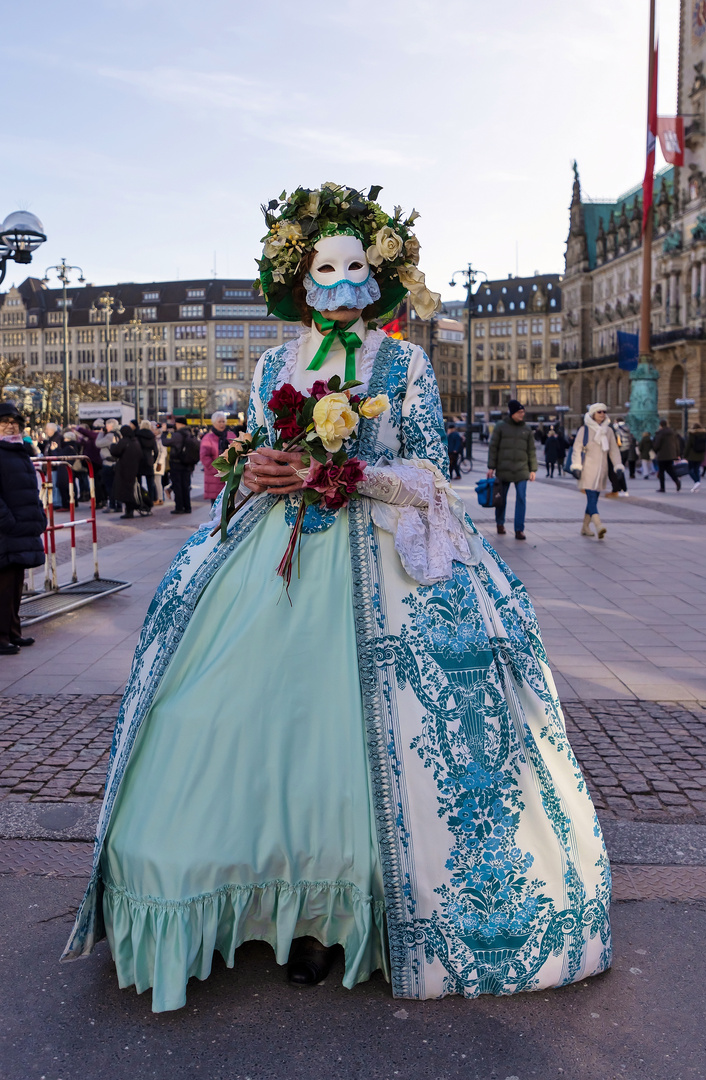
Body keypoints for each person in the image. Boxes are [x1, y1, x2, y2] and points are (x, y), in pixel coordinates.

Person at [64, 182, 610, 1012]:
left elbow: (431, 475)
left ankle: (336, 915)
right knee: (223, 714)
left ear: (379, 276)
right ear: (300, 277)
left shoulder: (408, 363)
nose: (342, 282)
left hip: (381, 564)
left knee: (350, 735)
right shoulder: (272, 364)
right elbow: (250, 455)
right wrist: (252, 470)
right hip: (272, 562)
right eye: (326, 266)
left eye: (358, 266)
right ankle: (240, 892)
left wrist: (347, 474)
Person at [0, 402, 45, 655]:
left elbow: (31, 488)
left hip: (22, 527)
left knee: (16, 586)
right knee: (3, 587)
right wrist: (8, 522)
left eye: (14, 421)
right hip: (7, 530)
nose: (10, 424)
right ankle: (1, 636)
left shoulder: (20, 450)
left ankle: (13, 632)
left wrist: (39, 515)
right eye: (4, 421)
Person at [486, 399, 537, 539]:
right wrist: (491, 467)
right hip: (504, 469)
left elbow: (531, 450)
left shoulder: (526, 429)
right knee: (501, 499)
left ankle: (519, 529)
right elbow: (493, 447)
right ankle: (500, 523)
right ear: (513, 413)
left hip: (522, 470)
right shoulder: (500, 426)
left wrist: (533, 470)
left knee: (521, 498)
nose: (522, 414)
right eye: (520, 412)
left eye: (523, 412)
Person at [570, 402, 622, 539]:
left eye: (604, 412)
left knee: (593, 500)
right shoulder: (584, 429)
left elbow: (614, 451)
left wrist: (618, 466)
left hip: (601, 471)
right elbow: (577, 448)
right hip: (587, 469)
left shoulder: (609, 431)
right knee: (591, 498)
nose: (602, 414)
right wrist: (576, 466)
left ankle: (585, 527)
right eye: (599, 412)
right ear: (593, 414)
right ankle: (598, 525)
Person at [162, 418, 199, 514]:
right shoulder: (189, 433)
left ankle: (179, 507)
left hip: (176, 464)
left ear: (179, 424)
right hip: (187, 464)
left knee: (178, 486)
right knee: (186, 486)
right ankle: (187, 507)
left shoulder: (177, 435)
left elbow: (165, 442)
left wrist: (164, 432)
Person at [110, 425, 144, 519]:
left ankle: (129, 511)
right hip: (133, 469)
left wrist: (113, 444)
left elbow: (115, 452)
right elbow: (140, 455)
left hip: (123, 470)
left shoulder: (124, 441)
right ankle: (130, 510)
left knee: (124, 491)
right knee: (130, 489)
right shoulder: (135, 442)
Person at [200, 411, 232, 501]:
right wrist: (218, 469)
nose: (222, 424)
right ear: (214, 423)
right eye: (219, 422)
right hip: (215, 478)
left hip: (230, 476)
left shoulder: (230, 435)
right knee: (216, 509)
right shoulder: (208, 438)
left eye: (223, 421)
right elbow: (204, 457)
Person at [74, 420, 106, 507]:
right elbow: (87, 443)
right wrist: (80, 438)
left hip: (96, 462)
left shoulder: (97, 435)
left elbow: (88, 434)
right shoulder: (95, 437)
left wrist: (77, 428)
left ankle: (99, 501)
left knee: (97, 483)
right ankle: (99, 500)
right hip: (93, 462)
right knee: (96, 482)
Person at [96, 419, 122, 513]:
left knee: (110, 486)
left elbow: (98, 443)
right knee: (117, 485)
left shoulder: (109, 436)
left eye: (107, 426)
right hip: (117, 463)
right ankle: (118, 505)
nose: (105, 427)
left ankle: (112, 505)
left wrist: (100, 433)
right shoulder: (119, 434)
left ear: (111, 426)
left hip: (109, 464)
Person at [653, 419, 682, 493]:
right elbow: (677, 444)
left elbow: (657, 445)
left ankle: (662, 487)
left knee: (662, 471)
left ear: (660, 425)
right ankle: (677, 481)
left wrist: (655, 450)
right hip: (671, 455)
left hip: (662, 455)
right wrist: (677, 454)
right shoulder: (673, 433)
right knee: (670, 469)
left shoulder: (660, 433)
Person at [137, 420, 159, 506]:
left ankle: (139, 499)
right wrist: (153, 459)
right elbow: (156, 451)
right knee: (150, 482)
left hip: (139, 460)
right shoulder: (152, 436)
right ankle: (152, 499)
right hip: (149, 460)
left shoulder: (137, 435)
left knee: (139, 482)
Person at [685, 423, 706, 491]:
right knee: (697, 469)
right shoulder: (704, 435)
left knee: (690, 470)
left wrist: (685, 455)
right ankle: (697, 483)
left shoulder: (692, 435)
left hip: (692, 455)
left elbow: (688, 446)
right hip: (700, 455)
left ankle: (696, 482)